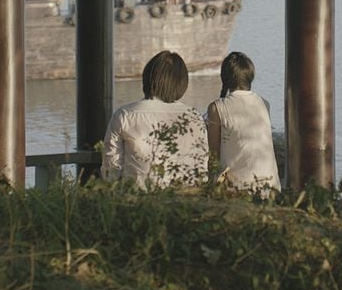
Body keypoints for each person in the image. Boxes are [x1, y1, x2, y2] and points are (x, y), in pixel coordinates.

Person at [102, 51, 208, 187]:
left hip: (138, 201)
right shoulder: (194, 116)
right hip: (186, 199)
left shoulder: (125, 115)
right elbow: (201, 167)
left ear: (147, 78)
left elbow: (111, 169)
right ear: (181, 83)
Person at [206, 52, 281, 193]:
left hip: (238, 189)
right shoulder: (264, 103)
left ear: (225, 78)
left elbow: (213, 155)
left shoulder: (217, 108)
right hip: (271, 186)